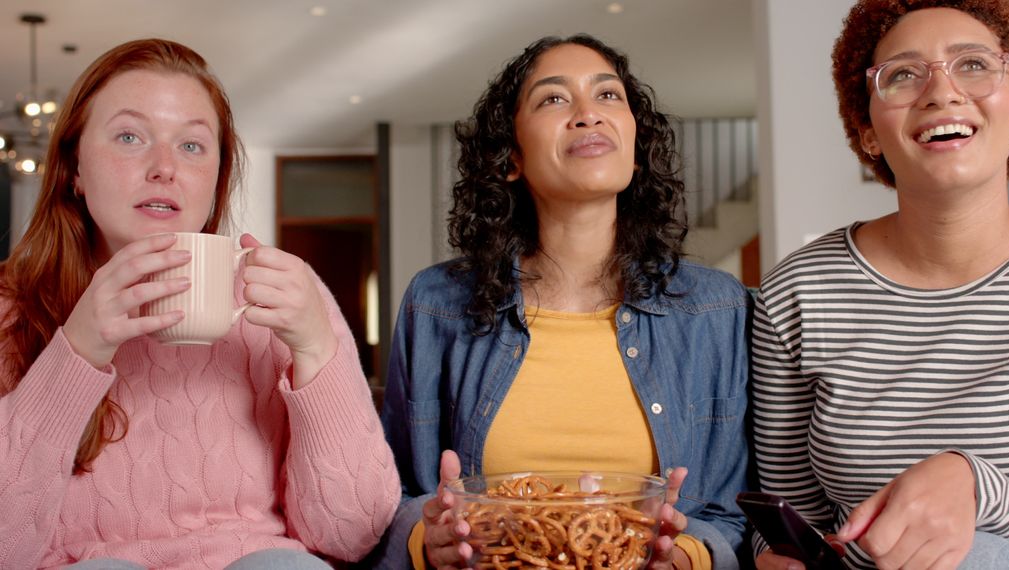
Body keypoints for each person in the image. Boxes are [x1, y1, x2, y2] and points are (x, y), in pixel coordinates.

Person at [0, 39, 400, 569]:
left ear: (216, 177)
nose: (165, 167)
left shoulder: (281, 301)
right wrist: (77, 350)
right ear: (74, 168)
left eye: (191, 145)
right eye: (129, 136)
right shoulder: (10, 308)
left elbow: (352, 536)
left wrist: (316, 349)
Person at [370, 34, 751, 570]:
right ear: (511, 158)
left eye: (608, 95)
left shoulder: (716, 309)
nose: (588, 114)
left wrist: (688, 556)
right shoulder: (437, 304)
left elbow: (735, 512)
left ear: (635, 146)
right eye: (553, 98)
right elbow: (390, 494)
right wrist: (424, 542)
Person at [751, 0, 1009, 568]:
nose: (941, 93)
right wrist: (776, 554)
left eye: (973, 65)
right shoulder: (798, 291)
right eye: (903, 74)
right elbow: (789, 519)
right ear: (868, 134)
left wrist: (975, 485)